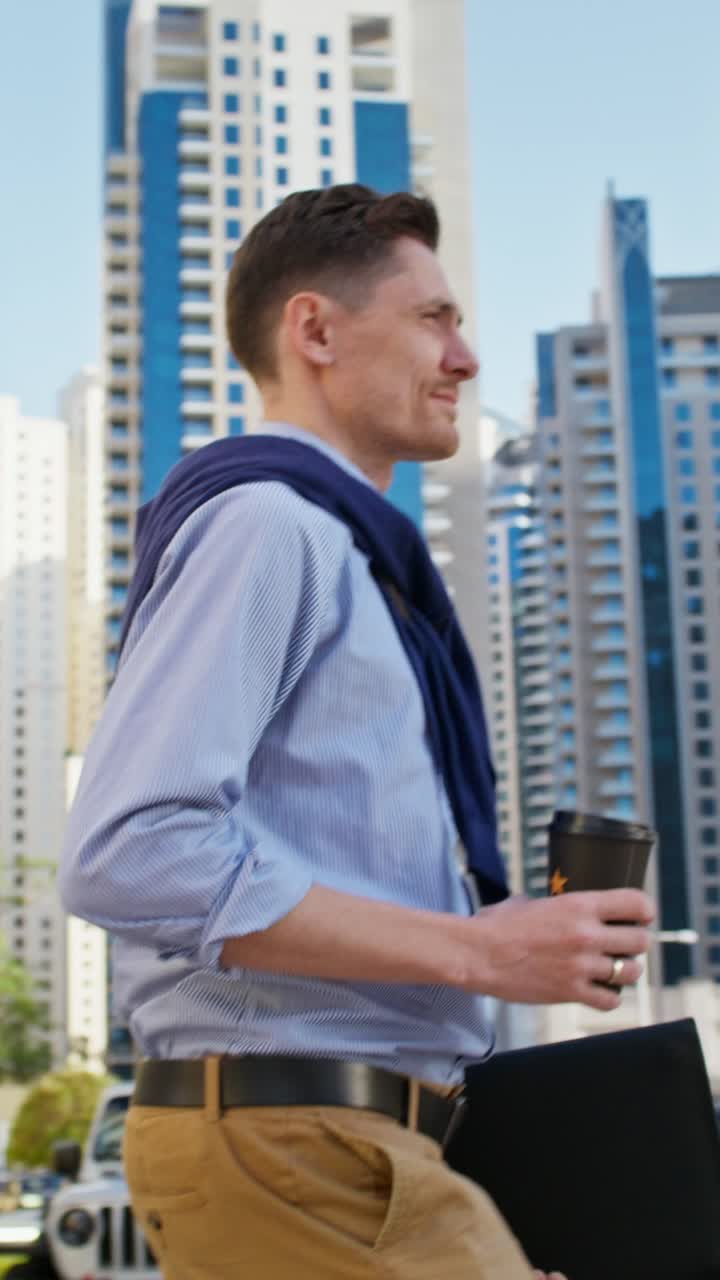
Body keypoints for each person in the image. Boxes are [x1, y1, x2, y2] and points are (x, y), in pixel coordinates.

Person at [59, 184, 653, 1279]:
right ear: (316, 330)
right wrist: (482, 948)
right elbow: (126, 851)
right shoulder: (268, 526)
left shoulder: (357, 566)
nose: (465, 357)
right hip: (300, 1143)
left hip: (364, 1148)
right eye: (434, 317)